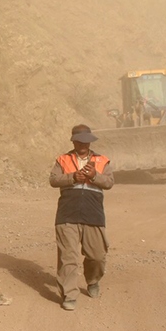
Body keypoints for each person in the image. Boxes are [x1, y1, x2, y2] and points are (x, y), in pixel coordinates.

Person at [49, 124, 115, 311]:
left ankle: (93, 280)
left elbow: (109, 182)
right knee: (68, 257)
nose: (83, 144)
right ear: (74, 141)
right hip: (67, 213)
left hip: (93, 213)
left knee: (97, 255)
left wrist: (94, 176)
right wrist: (72, 177)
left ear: (90, 141)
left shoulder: (102, 161)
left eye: (86, 141)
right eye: (79, 141)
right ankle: (69, 294)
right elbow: (53, 180)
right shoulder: (63, 160)